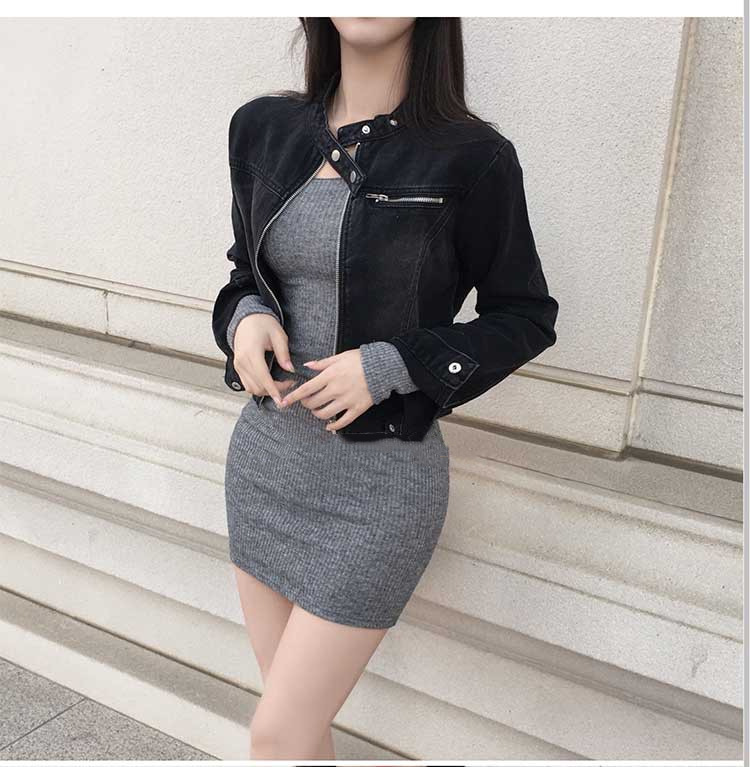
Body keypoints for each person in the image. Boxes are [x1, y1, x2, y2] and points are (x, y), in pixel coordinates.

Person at [211, 17, 559, 760]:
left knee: (276, 732)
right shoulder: (262, 128)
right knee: (297, 730)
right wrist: (244, 317)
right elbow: (246, 270)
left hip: (380, 486)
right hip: (266, 464)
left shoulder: (473, 157)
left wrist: (390, 364)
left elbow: (525, 317)